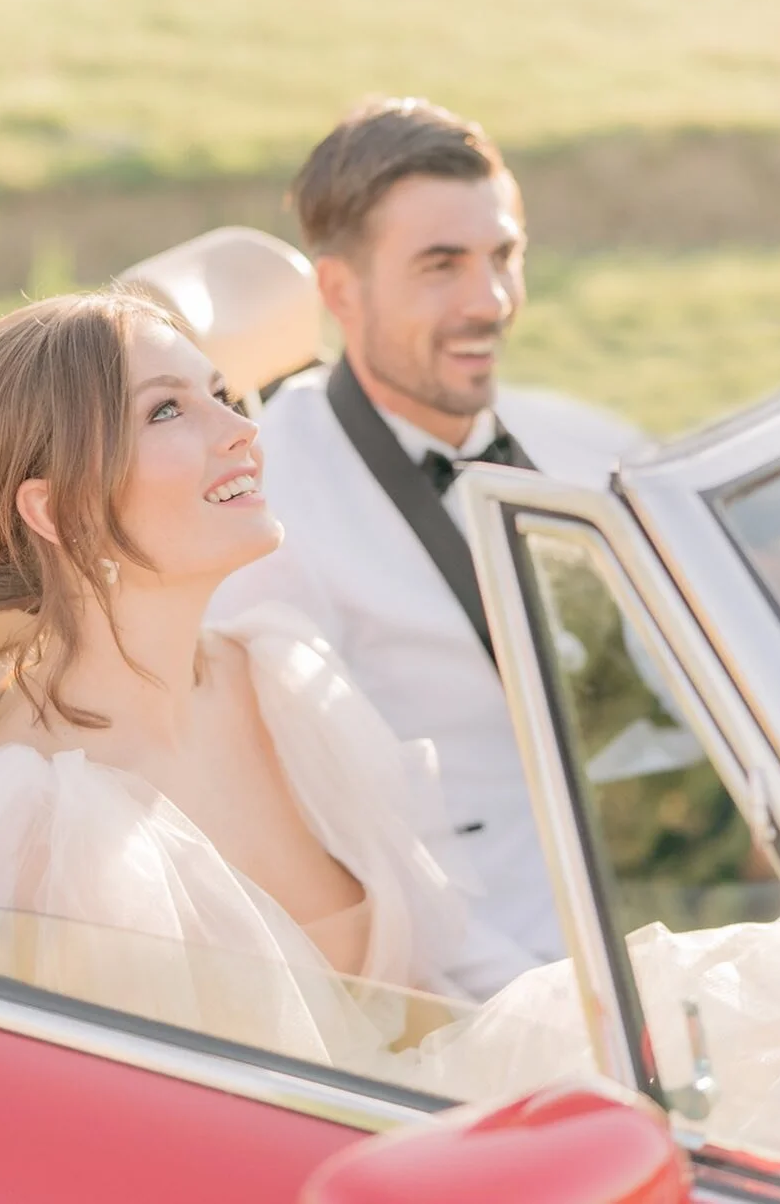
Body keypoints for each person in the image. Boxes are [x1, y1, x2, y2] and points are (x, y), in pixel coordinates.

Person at [0, 289, 780, 1166]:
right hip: (324, 1175)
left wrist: (596, 1039)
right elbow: (82, 1155)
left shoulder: (275, 668)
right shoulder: (33, 820)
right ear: (49, 507)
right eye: (169, 410)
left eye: (224, 393)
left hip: (440, 1105)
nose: (239, 430)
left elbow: (440, 962)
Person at [210, 97, 645, 992]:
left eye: (503, 257)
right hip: (506, 967)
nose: (489, 301)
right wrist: (550, 1019)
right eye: (441, 266)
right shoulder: (268, 520)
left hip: (657, 885)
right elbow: (338, 856)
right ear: (340, 292)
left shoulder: (588, 446)